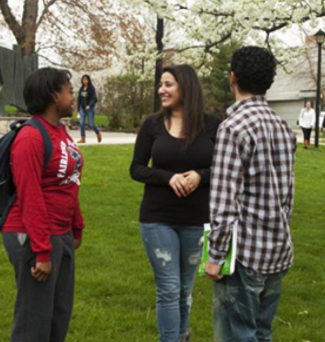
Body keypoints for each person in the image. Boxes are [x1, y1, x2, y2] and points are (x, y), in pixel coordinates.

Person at [205, 46, 296, 342]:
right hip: (277, 251)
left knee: (235, 336)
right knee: (261, 333)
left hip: (243, 257)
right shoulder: (283, 127)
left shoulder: (232, 128)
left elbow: (224, 200)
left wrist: (216, 255)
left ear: (233, 78)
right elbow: (288, 194)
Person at [130, 64, 220, 342]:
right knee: (168, 287)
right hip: (158, 218)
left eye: (168, 84)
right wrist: (168, 178)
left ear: (186, 87)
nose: (161, 90)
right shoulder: (152, 125)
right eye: (161, 84)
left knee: (184, 288)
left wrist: (201, 175)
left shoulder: (213, 125)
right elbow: (136, 168)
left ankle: (181, 335)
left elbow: (224, 168)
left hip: (196, 219)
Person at [2, 67, 85, 342]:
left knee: (58, 316)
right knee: (33, 324)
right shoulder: (30, 137)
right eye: (69, 91)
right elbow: (29, 195)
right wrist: (41, 250)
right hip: (32, 233)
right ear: (53, 95)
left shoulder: (60, 132)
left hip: (58, 232)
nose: (74, 97)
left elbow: (69, 184)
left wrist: (76, 226)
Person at [77, 74, 101, 143]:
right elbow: (79, 99)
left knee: (91, 124)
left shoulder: (91, 88)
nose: (85, 81)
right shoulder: (81, 88)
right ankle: (83, 138)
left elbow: (93, 98)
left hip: (90, 108)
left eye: (86, 79)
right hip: (82, 108)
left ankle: (98, 133)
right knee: (82, 123)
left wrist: (89, 105)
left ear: (88, 80)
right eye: (83, 79)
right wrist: (78, 108)